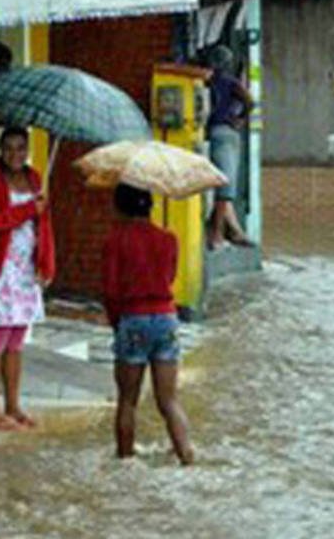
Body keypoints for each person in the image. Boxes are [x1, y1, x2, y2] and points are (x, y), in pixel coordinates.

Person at [0, 127, 54, 431]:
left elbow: (44, 225)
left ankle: (13, 406)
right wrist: (27, 209)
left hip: (25, 270)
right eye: (9, 148)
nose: (15, 154)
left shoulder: (34, 177)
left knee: (16, 341)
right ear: (0, 150)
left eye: (20, 148)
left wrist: (47, 263)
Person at [102, 184, 194, 466]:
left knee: (128, 400)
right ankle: (187, 457)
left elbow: (110, 290)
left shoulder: (115, 239)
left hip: (133, 318)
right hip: (166, 319)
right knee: (169, 400)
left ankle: (125, 463)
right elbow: (169, 277)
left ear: (119, 207)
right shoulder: (169, 238)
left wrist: (117, 324)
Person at [201, 45, 255, 250]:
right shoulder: (230, 82)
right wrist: (240, 120)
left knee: (218, 184)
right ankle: (217, 234)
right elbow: (250, 101)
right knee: (225, 185)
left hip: (210, 133)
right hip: (225, 133)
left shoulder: (206, 81)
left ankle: (225, 232)